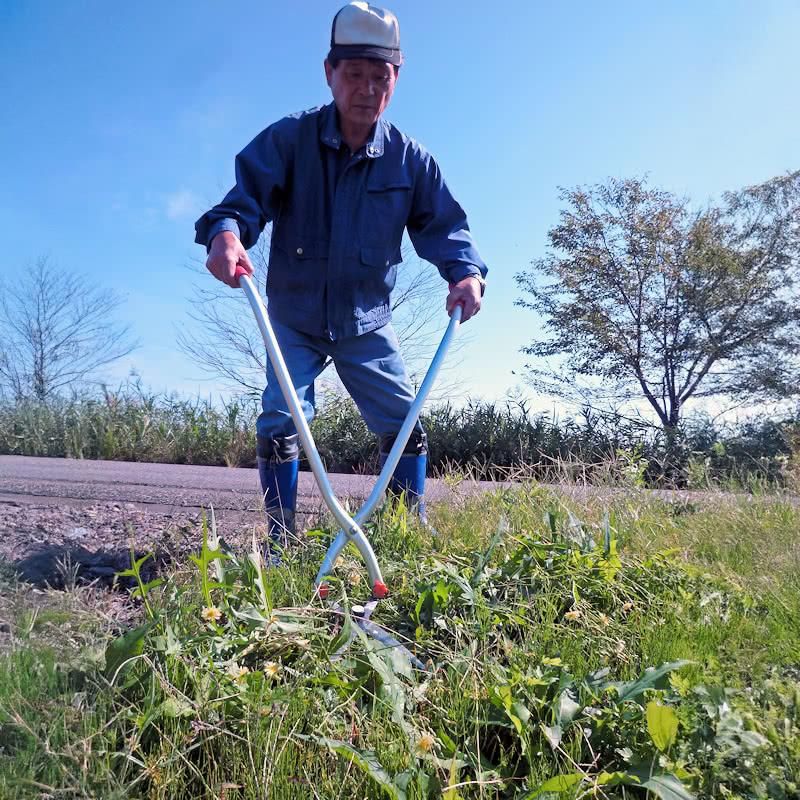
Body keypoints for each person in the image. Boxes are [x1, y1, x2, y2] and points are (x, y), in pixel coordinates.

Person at [195, 1, 488, 548]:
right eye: (355, 74)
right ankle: (282, 542)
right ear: (330, 73)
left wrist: (465, 273)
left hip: (366, 321)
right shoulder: (289, 140)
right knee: (281, 419)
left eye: (381, 77)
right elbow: (238, 206)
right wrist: (226, 238)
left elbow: (445, 227)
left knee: (405, 420)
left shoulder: (411, 161)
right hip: (296, 316)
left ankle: (405, 535)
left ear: (396, 80)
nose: (367, 89)